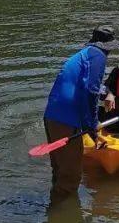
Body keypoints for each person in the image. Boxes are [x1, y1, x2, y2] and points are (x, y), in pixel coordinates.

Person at [42, 25, 114, 201]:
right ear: (108, 46)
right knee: (71, 177)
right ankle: (62, 220)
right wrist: (92, 124)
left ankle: (54, 210)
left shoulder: (84, 55)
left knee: (59, 171)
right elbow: (90, 91)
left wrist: (108, 94)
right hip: (67, 120)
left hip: (53, 116)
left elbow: (89, 86)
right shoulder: (98, 55)